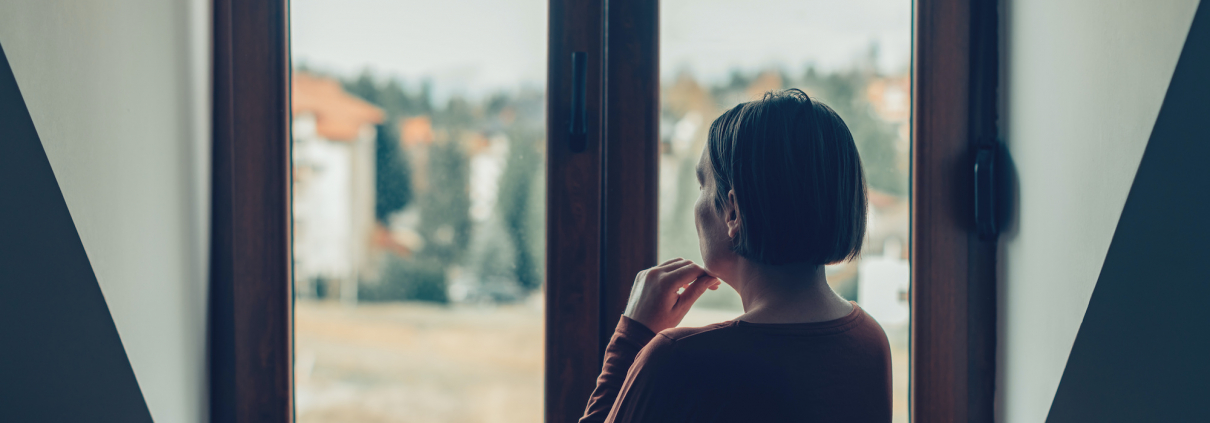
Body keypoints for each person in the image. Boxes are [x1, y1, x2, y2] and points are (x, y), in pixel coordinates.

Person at [579, 89, 892, 423]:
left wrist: (632, 336)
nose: (697, 204)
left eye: (703, 185)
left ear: (733, 212)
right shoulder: (870, 342)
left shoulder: (679, 362)